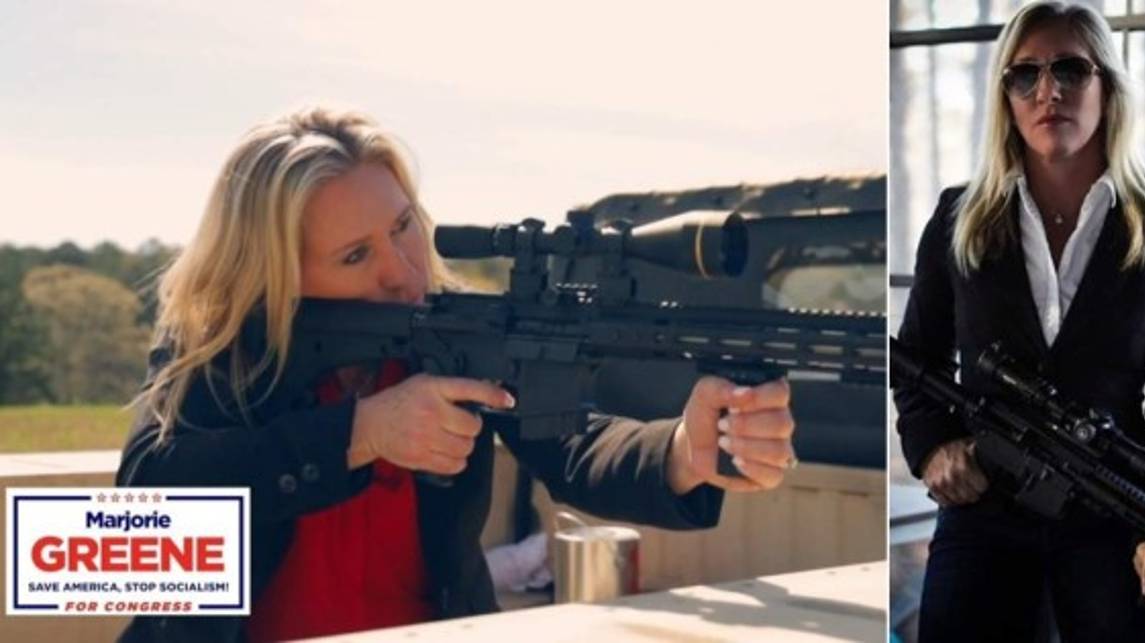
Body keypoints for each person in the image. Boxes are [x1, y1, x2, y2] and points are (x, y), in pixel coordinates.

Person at [116, 106, 798, 642]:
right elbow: (139, 513)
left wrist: (685, 449)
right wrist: (361, 432)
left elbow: (571, 442)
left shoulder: (447, 334)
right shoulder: (223, 350)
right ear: (277, 275)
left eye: (404, 226)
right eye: (355, 255)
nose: (403, 269)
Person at [894, 3, 1145, 642]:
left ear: (1107, 87)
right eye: (1025, 74)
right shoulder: (957, 218)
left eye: (1071, 69)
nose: (1049, 92)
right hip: (983, 511)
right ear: (1005, 96)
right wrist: (933, 446)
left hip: (1114, 514)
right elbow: (917, 359)